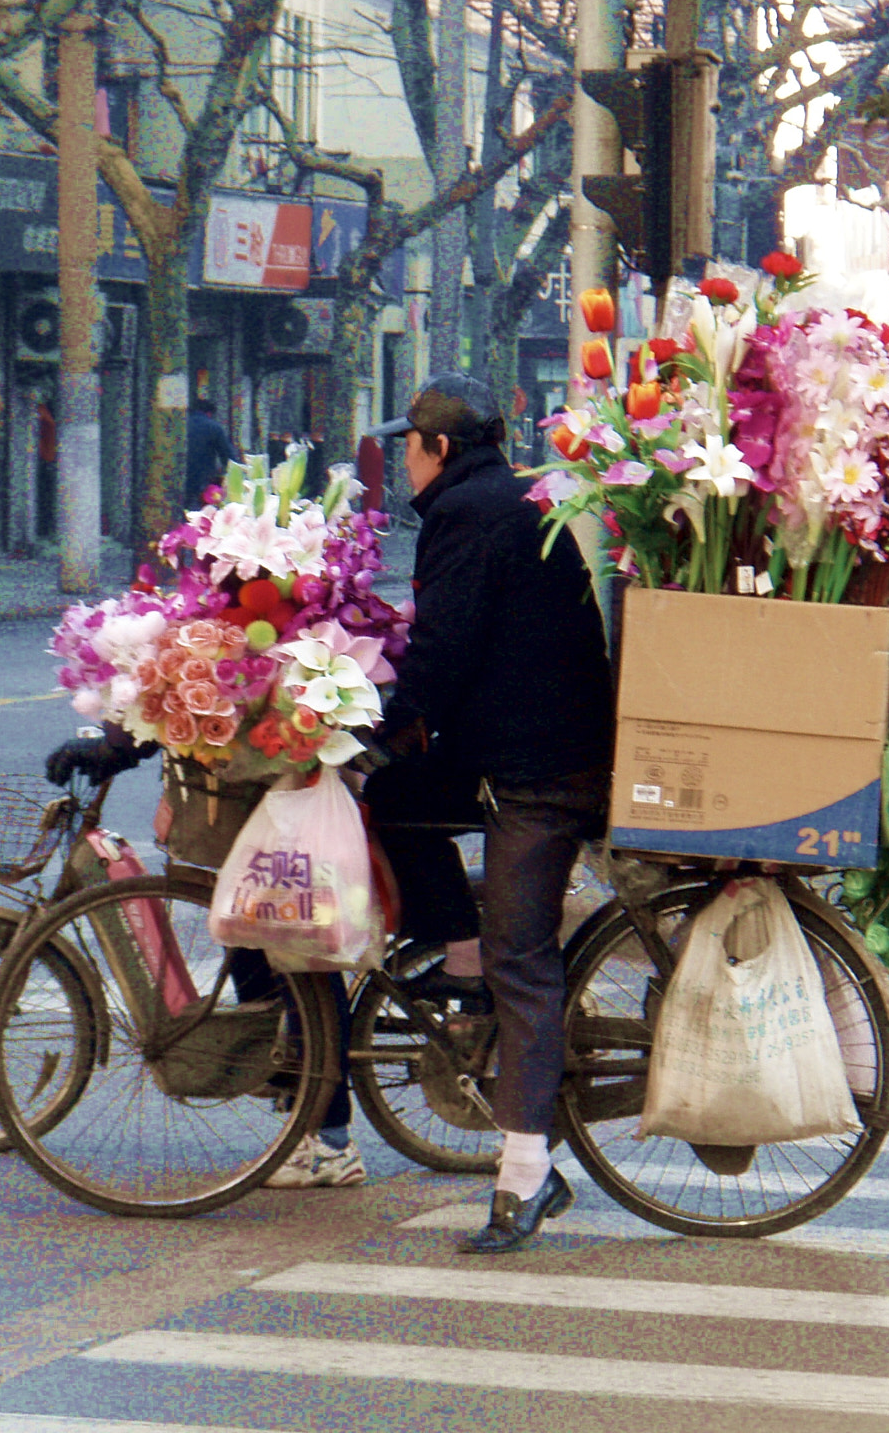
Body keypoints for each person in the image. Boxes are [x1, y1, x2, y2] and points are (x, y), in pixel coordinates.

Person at [359, 372, 614, 1250]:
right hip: (528, 747)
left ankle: (524, 1177)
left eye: (409, 445)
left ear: (441, 449)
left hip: (536, 771)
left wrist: (383, 731)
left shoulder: (466, 514)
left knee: (523, 958)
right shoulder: (514, 497)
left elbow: (445, 647)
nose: (403, 461)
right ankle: (460, 953)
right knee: (390, 799)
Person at [185, 398, 235, 508]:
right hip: (203, 481)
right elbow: (228, 458)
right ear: (209, 413)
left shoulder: (180, 426)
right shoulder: (214, 427)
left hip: (180, 479)